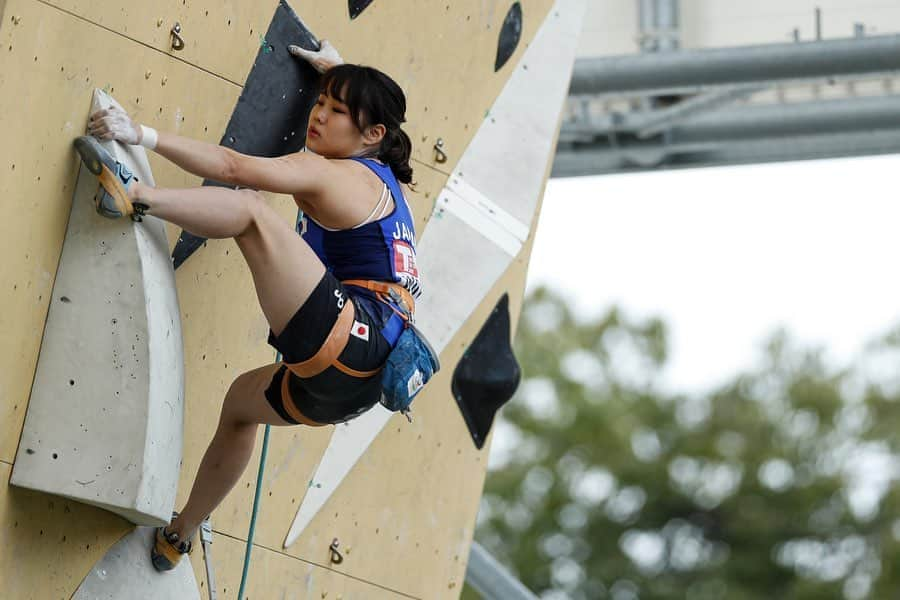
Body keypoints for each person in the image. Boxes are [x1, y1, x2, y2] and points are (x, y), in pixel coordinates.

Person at [75, 41, 421, 571]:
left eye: (335, 111)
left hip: (352, 337)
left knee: (252, 211)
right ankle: (179, 536)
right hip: (355, 386)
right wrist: (337, 70)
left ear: (372, 134)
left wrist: (138, 133)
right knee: (241, 406)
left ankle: (134, 195)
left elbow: (234, 165)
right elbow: (365, 120)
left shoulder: (334, 174)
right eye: (320, 103)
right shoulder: (385, 182)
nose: (318, 116)